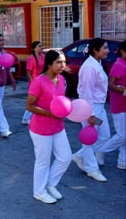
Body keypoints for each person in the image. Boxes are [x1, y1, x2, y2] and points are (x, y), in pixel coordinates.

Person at [26, 49, 71, 204]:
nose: (62, 65)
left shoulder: (62, 80)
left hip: (58, 127)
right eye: (58, 62)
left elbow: (62, 103)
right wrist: (50, 113)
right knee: (43, 162)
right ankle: (39, 191)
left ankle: (50, 184)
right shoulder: (39, 81)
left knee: (65, 157)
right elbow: (29, 106)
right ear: (49, 64)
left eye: (64, 62)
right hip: (41, 129)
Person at [72, 38, 110, 182]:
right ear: (95, 50)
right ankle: (92, 169)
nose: (107, 51)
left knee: (104, 136)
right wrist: (90, 114)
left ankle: (79, 156)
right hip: (89, 107)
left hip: (99, 107)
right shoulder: (89, 67)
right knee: (89, 140)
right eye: (104, 48)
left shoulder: (97, 63)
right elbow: (86, 92)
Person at [98, 40, 126, 170]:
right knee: (122, 135)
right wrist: (124, 91)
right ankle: (101, 150)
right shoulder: (119, 65)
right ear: (122, 51)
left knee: (124, 135)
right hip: (119, 105)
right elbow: (110, 84)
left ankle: (122, 161)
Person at [21, 41, 45, 125]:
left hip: (42, 81)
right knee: (34, 101)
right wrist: (32, 81)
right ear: (34, 48)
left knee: (39, 101)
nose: (41, 47)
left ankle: (29, 118)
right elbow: (28, 72)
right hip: (34, 82)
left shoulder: (43, 56)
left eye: (41, 46)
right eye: (39, 46)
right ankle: (26, 118)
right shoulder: (31, 59)